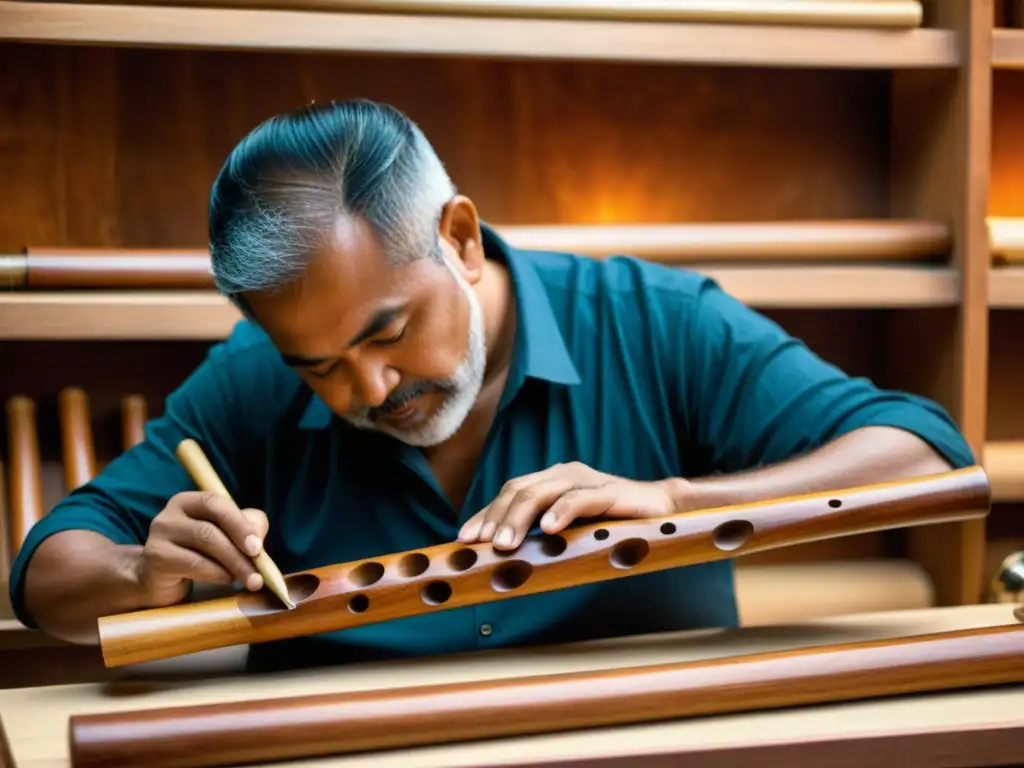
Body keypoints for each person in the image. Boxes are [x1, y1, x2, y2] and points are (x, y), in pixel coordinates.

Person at [9, 99, 974, 673]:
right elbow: (46, 576)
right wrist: (140, 575)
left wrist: (681, 503)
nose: (368, 388)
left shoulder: (656, 319)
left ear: (461, 239)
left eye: (387, 330)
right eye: (317, 364)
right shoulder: (250, 383)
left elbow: (927, 457)